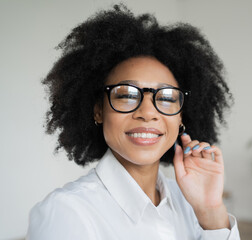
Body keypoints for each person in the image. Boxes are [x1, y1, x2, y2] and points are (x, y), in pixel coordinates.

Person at [26, 3, 240, 240]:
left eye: (166, 97)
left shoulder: (192, 202)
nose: (148, 112)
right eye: (127, 94)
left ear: (181, 116)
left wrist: (211, 213)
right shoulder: (66, 213)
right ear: (99, 110)